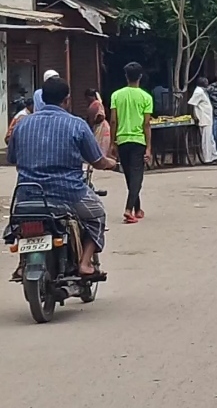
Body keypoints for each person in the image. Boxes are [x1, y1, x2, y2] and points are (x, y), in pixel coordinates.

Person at [7, 77, 117, 278]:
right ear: (66, 100)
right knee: (97, 215)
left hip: (27, 195)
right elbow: (98, 161)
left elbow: (12, 157)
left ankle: (23, 263)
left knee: (21, 226)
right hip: (69, 194)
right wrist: (110, 163)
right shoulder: (77, 125)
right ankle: (85, 263)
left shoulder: (22, 125)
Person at [110, 62, 154, 224]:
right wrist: (149, 147)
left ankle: (138, 208)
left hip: (122, 140)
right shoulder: (146, 97)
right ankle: (129, 209)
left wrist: (112, 143)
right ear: (140, 77)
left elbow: (113, 121)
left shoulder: (116, 95)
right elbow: (147, 124)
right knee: (136, 177)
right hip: (138, 140)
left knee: (129, 175)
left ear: (126, 76)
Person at [188, 77, 217, 164]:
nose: (207, 83)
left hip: (207, 118)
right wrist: (194, 117)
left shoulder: (202, 91)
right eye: (206, 82)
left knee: (210, 139)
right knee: (206, 140)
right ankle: (208, 159)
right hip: (203, 118)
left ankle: (215, 156)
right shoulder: (198, 92)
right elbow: (191, 104)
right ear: (202, 83)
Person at [85, 89, 111, 159]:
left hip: (101, 127)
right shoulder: (93, 104)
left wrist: (94, 122)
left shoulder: (97, 104)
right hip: (96, 127)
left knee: (100, 144)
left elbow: (101, 116)